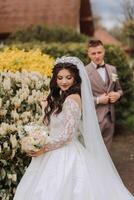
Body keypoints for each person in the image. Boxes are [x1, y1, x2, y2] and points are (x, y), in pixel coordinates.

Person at [13, 56, 134, 200]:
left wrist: (43, 149)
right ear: (55, 79)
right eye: (60, 78)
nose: (64, 81)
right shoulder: (60, 97)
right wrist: (45, 109)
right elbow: (50, 126)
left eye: (68, 77)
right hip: (52, 150)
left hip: (64, 153)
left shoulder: (72, 99)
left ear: (75, 78)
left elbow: (67, 136)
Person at [86, 40, 123, 151]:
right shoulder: (84, 72)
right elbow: (81, 97)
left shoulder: (112, 69)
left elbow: (119, 89)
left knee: (107, 150)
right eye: (93, 53)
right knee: (93, 149)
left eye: (99, 52)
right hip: (94, 118)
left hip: (110, 117)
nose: (97, 56)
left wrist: (117, 95)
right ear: (88, 54)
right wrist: (98, 100)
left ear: (104, 51)